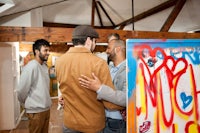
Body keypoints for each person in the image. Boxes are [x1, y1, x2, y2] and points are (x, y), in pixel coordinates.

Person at [55, 25, 124, 133]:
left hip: (70, 123)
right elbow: (110, 104)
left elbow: (66, 88)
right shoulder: (98, 63)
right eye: (94, 41)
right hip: (92, 125)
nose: (95, 44)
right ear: (88, 40)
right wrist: (128, 102)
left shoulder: (59, 62)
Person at [79, 38, 127, 132]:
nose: (106, 51)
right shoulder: (108, 67)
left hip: (117, 122)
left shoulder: (129, 70)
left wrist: (100, 88)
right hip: (102, 118)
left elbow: (126, 99)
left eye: (108, 48)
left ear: (117, 49)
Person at [17, 39, 52, 133]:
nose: (48, 53)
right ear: (37, 51)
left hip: (46, 109)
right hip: (35, 111)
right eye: (45, 50)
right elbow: (21, 90)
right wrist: (26, 104)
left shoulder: (44, 66)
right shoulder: (31, 67)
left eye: (48, 50)